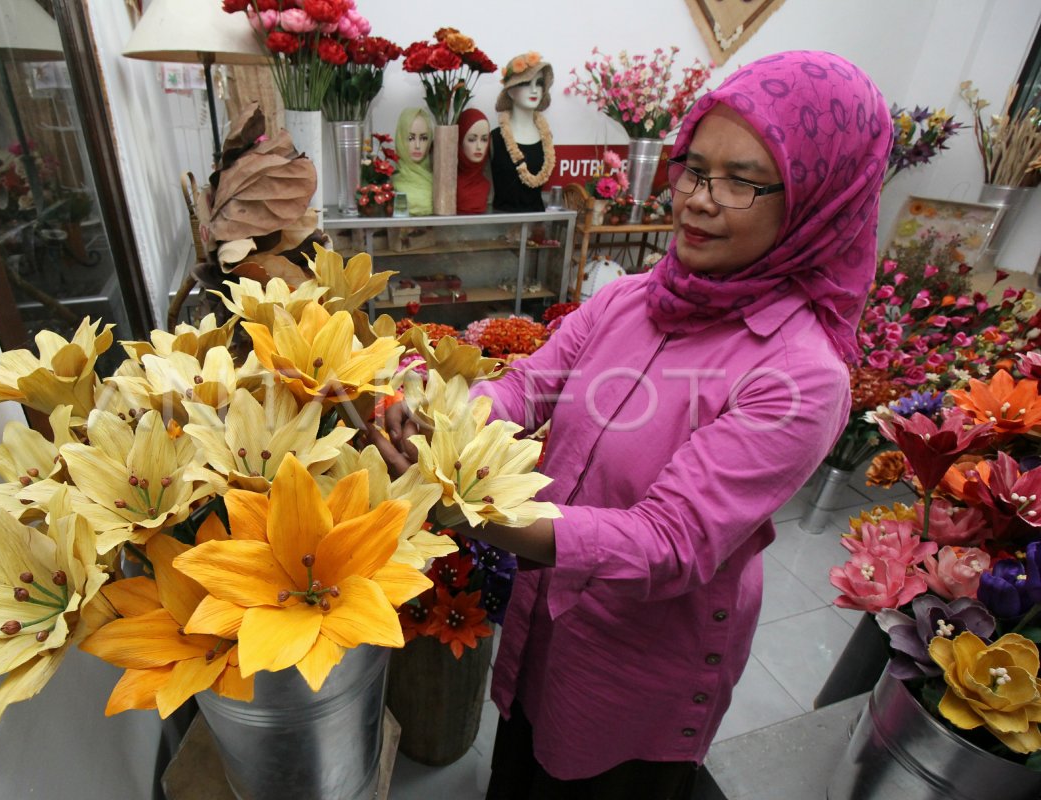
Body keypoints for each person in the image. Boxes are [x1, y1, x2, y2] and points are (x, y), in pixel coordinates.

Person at [371, 50, 893, 799]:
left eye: (742, 180)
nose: (699, 201)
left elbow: (668, 541)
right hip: (547, 613)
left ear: (817, 201)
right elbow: (527, 387)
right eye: (693, 169)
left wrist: (478, 512)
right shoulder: (632, 299)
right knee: (521, 761)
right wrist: (436, 418)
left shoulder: (800, 376)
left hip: (639, 653)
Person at [490, 52, 556, 213]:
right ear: (511, 91)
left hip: (537, 223)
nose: (534, 90)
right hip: (501, 222)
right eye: (526, 83)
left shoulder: (546, 138)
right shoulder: (494, 138)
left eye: (539, 83)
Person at [391, 107, 434, 216]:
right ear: (400, 139)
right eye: (410, 138)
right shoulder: (393, 185)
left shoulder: (437, 181)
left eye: (423, 138)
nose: (417, 145)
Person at [457, 108, 492, 215]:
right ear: (459, 140)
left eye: (484, 139)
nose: (479, 147)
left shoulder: (486, 184)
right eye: (472, 139)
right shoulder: (449, 185)